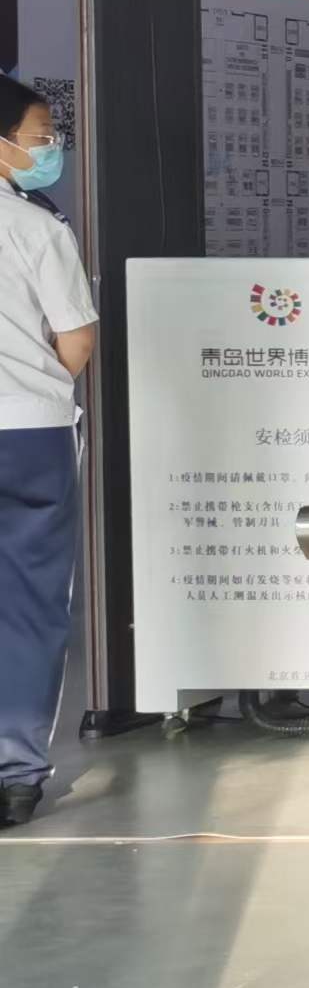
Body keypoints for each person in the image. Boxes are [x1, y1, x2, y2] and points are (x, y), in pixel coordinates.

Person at [0, 76, 93, 831]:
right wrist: (33, 390)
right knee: (31, 604)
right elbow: (77, 340)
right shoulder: (37, 228)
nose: (48, 147)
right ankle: (16, 773)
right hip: (29, 435)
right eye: (37, 135)